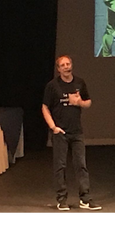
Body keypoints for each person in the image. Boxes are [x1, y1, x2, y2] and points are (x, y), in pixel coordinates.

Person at [41, 55, 101, 211]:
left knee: (81, 165)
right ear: (59, 69)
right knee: (60, 166)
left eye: (68, 64)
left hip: (77, 131)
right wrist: (53, 127)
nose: (67, 67)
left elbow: (88, 102)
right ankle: (61, 199)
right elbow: (45, 107)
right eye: (63, 65)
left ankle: (85, 199)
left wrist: (79, 102)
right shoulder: (53, 86)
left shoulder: (79, 83)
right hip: (60, 131)